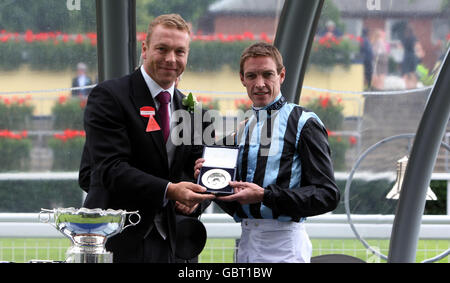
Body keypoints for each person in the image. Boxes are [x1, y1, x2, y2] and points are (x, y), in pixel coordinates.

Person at [78, 14, 215, 263]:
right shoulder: (109, 97)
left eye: (179, 51)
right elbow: (110, 169)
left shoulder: (194, 112)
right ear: (145, 49)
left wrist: (195, 201)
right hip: (118, 243)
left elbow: (196, 174)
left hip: (177, 248)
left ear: (187, 55)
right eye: (162, 49)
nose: (170, 59)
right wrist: (171, 190)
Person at [194, 42, 340, 263]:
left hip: (286, 244)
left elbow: (327, 195)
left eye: (267, 74)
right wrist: (209, 180)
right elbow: (234, 200)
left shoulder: (304, 122)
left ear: (281, 75)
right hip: (246, 242)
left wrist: (265, 195)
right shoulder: (242, 130)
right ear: (242, 79)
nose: (259, 84)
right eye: (252, 76)